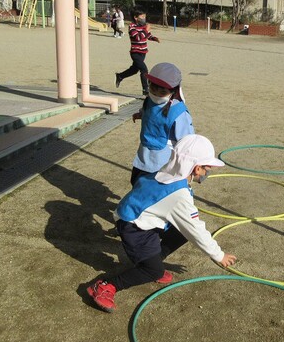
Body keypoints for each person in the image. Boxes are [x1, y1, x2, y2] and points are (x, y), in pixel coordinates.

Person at [86, 134, 238, 313]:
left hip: (139, 216)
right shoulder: (178, 196)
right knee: (154, 271)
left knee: (181, 231)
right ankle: (106, 286)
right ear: (197, 169)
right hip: (133, 227)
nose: (207, 172)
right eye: (207, 168)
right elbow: (196, 229)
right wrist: (218, 255)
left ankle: (153, 260)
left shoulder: (168, 170)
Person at [130, 62, 194, 186]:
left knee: (154, 190)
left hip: (163, 161)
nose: (156, 94)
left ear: (173, 90)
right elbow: (150, 112)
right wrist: (141, 115)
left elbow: (187, 140)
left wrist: (188, 166)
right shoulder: (149, 101)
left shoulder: (178, 112)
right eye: (153, 88)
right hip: (144, 155)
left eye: (162, 91)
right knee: (136, 183)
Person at [115, 10, 160, 97]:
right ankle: (145, 90)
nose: (144, 19)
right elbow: (138, 37)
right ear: (136, 18)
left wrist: (154, 38)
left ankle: (120, 76)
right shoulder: (132, 27)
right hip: (135, 52)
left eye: (145, 17)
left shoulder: (143, 26)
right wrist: (146, 30)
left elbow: (147, 35)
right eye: (142, 17)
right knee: (144, 70)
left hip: (143, 52)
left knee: (134, 69)